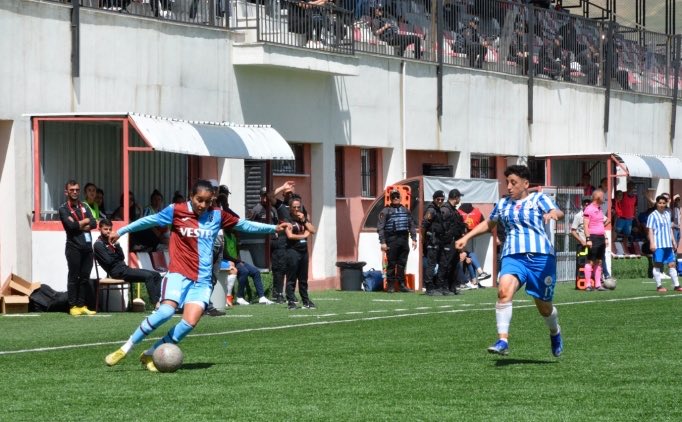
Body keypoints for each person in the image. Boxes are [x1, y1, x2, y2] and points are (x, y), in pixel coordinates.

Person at [104, 179, 288, 371]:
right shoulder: (176, 210)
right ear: (191, 196)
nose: (203, 205)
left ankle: (151, 352)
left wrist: (273, 228)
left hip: (202, 280)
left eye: (208, 201)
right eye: (199, 200)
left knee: (190, 322)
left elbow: (243, 225)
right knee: (166, 312)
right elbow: (148, 221)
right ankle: (126, 348)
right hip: (178, 274)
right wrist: (122, 231)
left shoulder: (217, 215)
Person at [455, 164, 565, 357]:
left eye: (513, 183)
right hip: (513, 255)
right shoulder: (503, 204)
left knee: (544, 307)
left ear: (525, 183)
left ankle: (555, 332)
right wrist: (467, 237)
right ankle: (503, 340)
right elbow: (489, 223)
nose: (509, 187)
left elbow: (558, 212)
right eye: (507, 182)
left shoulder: (539, 198)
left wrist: (553, 214)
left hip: (541, 257)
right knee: (504, 290)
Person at [94, 218, 162, 309]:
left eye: (110, 229)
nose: (108, 231)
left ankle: (159, 301)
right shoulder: (98, 244)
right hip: (117, 272)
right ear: (100, 229)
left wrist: (117, 245)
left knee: (156, 275)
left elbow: (122, 257)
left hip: (124, 268)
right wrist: (116, 256)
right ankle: (156, 304)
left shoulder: (111, 241)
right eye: (105, 229)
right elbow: (109, 261)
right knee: (148, 276)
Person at [58, 180, 98, 316]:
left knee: (85, 277)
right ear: (66, 192)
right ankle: (72, 305)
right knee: (74, 276)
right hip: (73, 247)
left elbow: (93, 223)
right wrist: (84, 221)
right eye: (72, 190)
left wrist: (82, 222)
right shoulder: (63, 209)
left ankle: (81, 305)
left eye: (77, 190)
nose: (75, 192)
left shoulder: (84, 206)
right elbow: (71, 227)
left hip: (87, 248)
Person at [248, 187, 287, 303]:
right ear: (260, 196)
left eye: (266, 195)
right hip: (260, 244)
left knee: (277, 267)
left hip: (274, 242)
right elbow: (251, 225)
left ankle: (277, 292)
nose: (265, 198)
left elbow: (277, 223)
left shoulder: (273, 209)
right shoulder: (256, 209)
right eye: (263, 196)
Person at [377, 189, 417, 293]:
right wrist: (382, 242)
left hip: (404, 239)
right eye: (393, 197)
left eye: (397, 196)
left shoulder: (406, 210)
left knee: (402, 263)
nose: (395, 198)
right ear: (390, 198)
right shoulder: (385, 211)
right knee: (391, 263)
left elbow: (411, 225)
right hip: (391, 239)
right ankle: (390, 286)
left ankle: (402, 285)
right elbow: (380, 228)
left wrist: (414, 238)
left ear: (400, 198)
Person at [285, 197, 317, 309]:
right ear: (290, 208)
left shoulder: (303, 217)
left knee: (303, 278)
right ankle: (291, 301)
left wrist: (304, 220)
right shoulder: (287, 220)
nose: (297, 209)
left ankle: (306, 301)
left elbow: (312, 230)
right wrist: (303, 235)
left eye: (299, 207)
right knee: (292, 277)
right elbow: (290, 235)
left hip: (304, 251)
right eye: (294, 207)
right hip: (292, 251)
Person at [647, 195, 681, 293]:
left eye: (663, 203)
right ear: (656, 204)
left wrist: (673, 240)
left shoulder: (667, 213)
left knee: (672, 264)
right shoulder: (652, 215)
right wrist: (652, 243)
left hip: (668, 244)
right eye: (660, 203)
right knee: (658, 265)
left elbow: (669, 228)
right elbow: (650, 230)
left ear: (666, 204)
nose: (661, 205)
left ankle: (677, 285)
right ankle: (659, 286)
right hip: (659, 244)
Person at [435, 189, 466, 295]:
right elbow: (440, 225)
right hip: (447, 242)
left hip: (454, 241)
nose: (460, 199)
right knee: (445, 265)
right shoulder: (445, 209)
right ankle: (441, 287)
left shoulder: (454, 210)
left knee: (454, 265)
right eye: (459, 197)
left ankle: (451, 287)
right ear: (456, 197)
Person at [583, 189, 610, 291]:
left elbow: (601, 225)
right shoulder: (589, 209)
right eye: (603, 196)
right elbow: (585, 225)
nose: (604, 198)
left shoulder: (599, 209)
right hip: (593, 237)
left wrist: (605, 237)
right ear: (598, 197)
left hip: (601, 238)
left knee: (599, 261)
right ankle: (588, 285)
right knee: (590, 260)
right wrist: (588, 239)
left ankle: (598, 285)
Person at [421, 190, 445, 295]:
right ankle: (429, 288)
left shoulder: (438, 209)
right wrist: (423, 238)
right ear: (434, 199)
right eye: (438, 199)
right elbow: (424, 225)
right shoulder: (431, 210)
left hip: (438, 240)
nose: (440, 201)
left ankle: (437, 286)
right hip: (432, 241)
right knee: (431, 265)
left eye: (442, 199)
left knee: (439, 263)